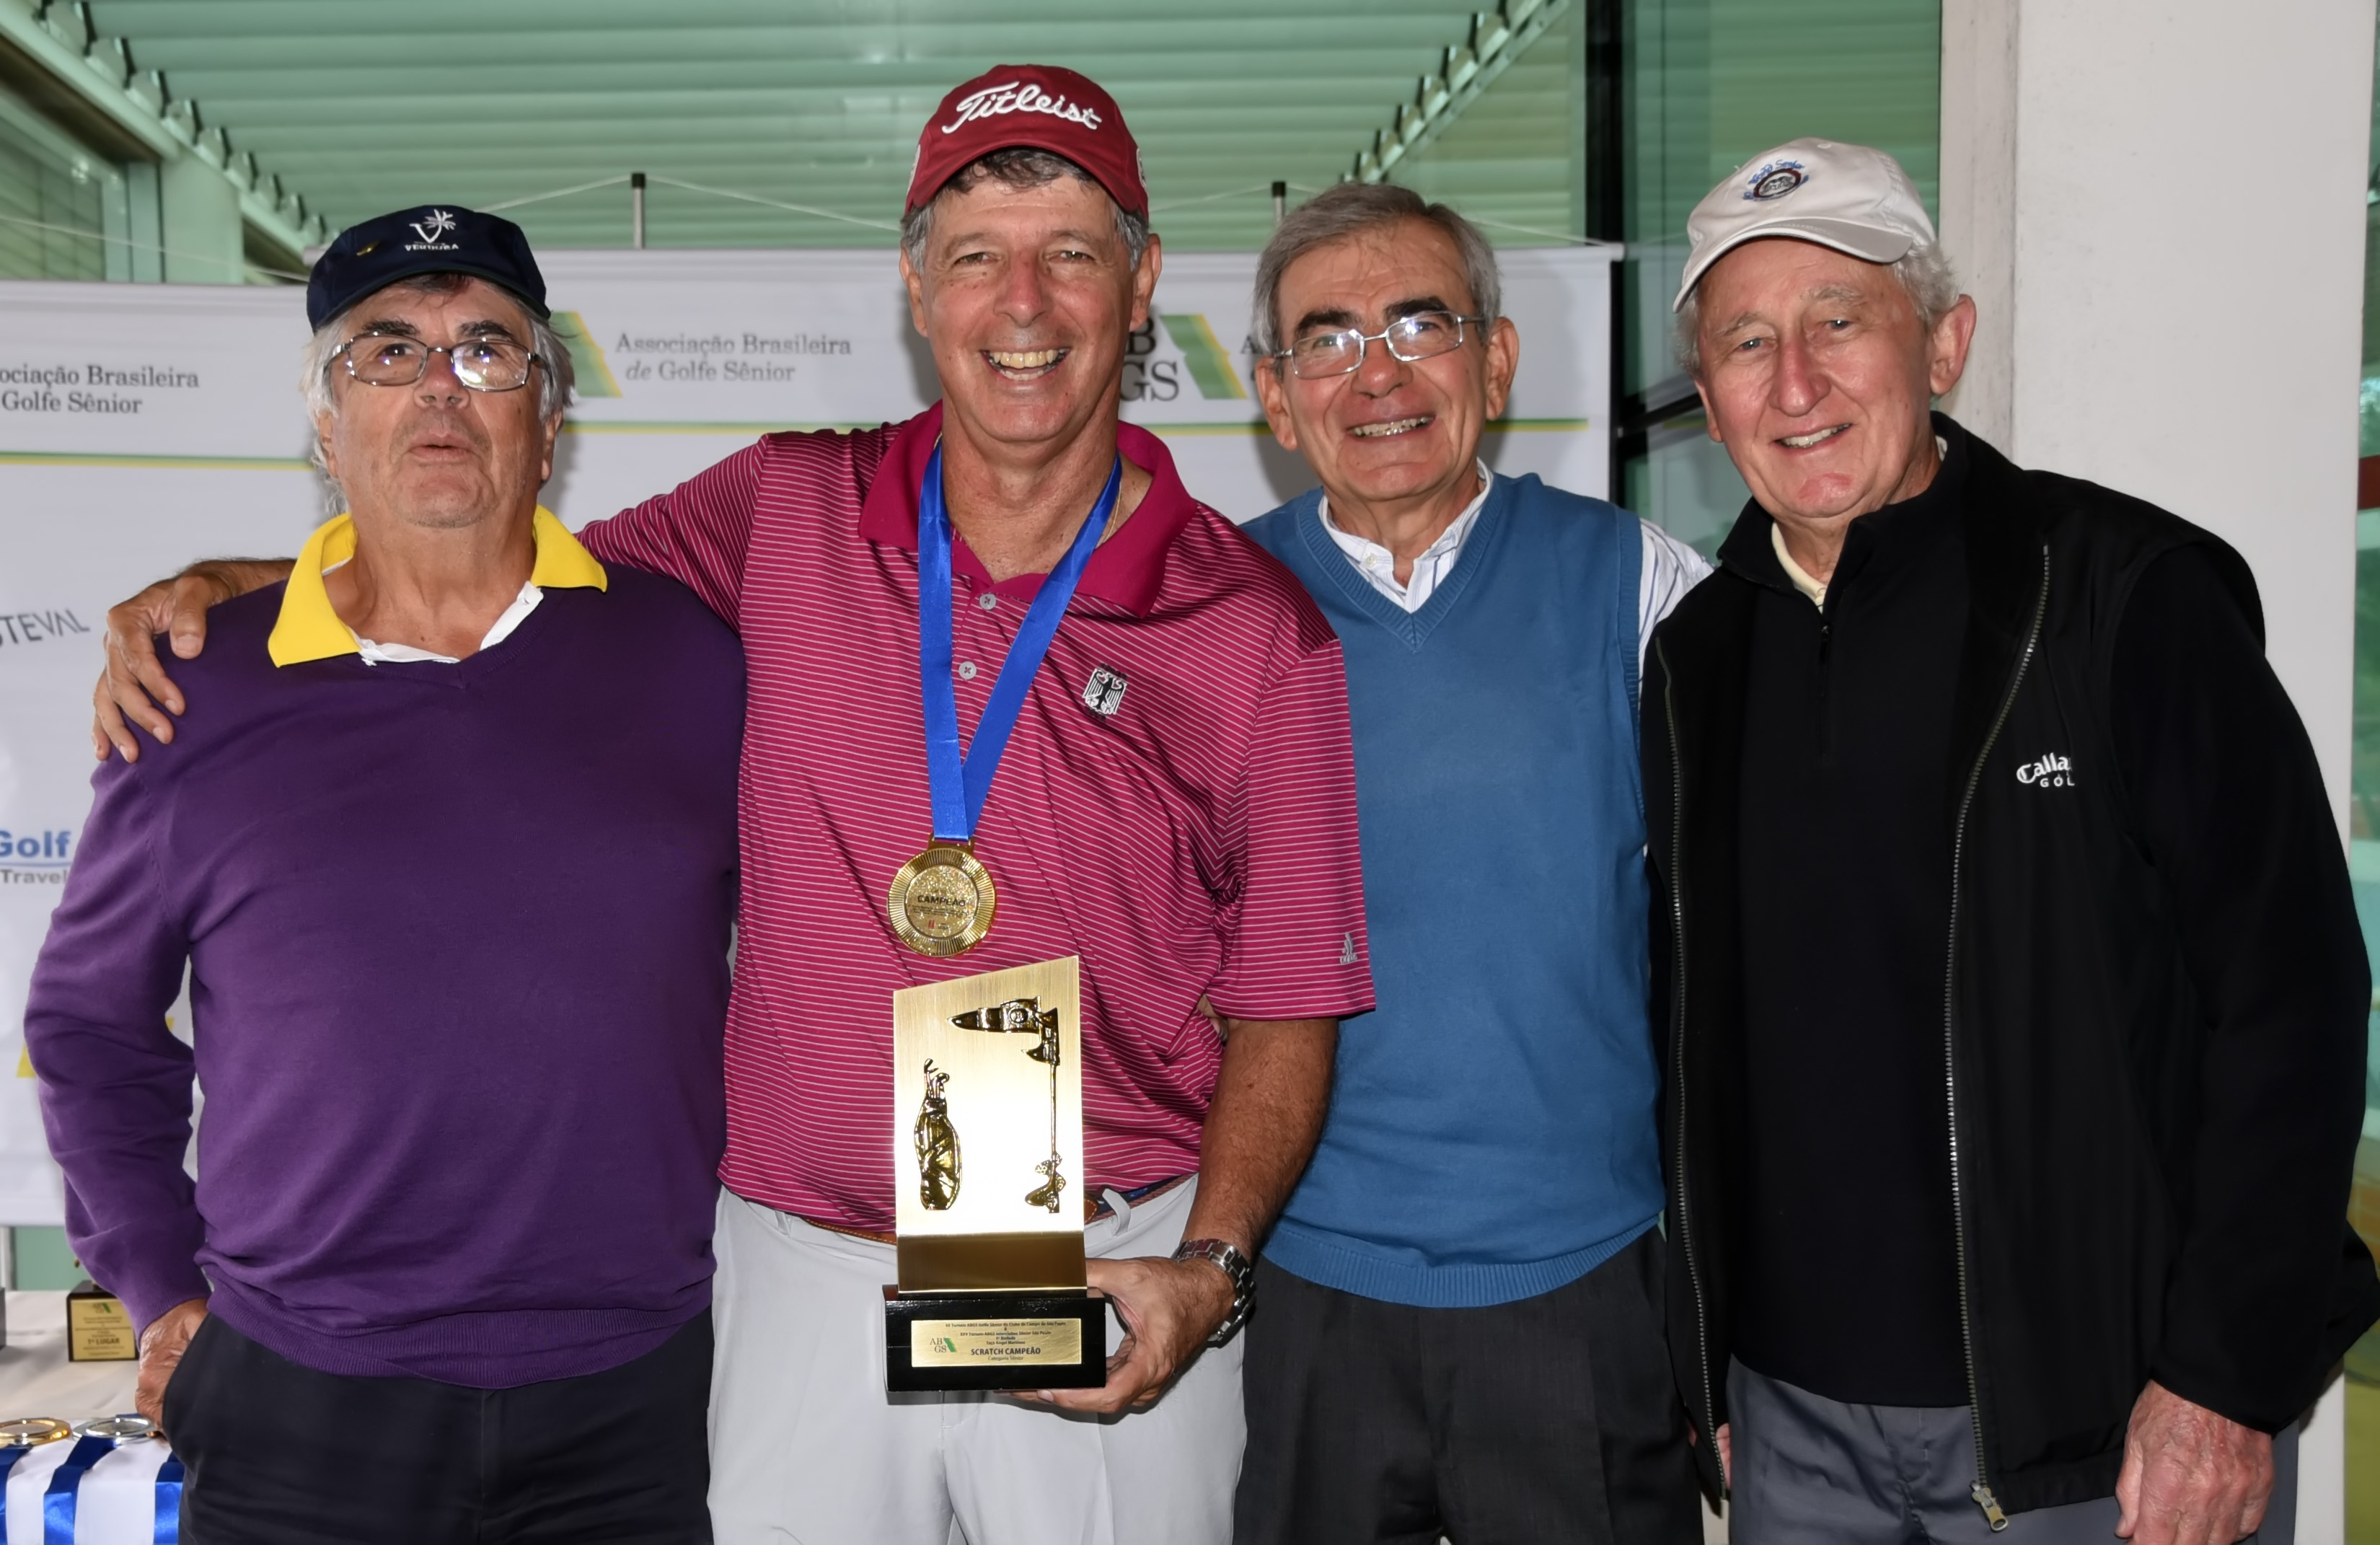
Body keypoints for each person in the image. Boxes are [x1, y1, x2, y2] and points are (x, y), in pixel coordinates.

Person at [90, 65, 1373, 1545]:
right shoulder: (777, 511)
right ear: (916, 287)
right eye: (975, 258)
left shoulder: (1255, 626)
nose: (1023, 304)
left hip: (1100, 1264)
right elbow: (494, 577)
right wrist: (248, 587)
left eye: (1071, 253)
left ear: (1142, 283)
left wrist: (1210, 1270)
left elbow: (1290, 996)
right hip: (802, 1273)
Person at [1644, 136, 2380, 1545]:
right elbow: (1700, 1032)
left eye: (1840, 323)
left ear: (1946, 342)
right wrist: (1707, 1340)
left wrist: (2223, 1378)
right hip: (1792, 1429)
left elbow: (2291, 1004)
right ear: (1709, 393)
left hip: (2103, 1434)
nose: (1794, 384)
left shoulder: (2125, 598)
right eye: (1747, 341)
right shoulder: (1700, 659)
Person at [30, 207, 744, 1541]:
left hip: (643, 1393)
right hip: (301, 1398)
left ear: (550, 412)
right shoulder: (196, 688)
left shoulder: (694, 660)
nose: (438, 386)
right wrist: (158, 1284)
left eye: (487, 349)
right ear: (322, 420)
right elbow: (85, 1020)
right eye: (386, 351)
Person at [1230, 180, 1707, 1544]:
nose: (1374, 373)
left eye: (1418, 323)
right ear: (1274, 395)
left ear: (1494, 360)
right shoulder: (1208, 612)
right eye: (1325, 338)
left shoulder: (1640, 585)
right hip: (1301, 1285)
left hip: (1583, 1289)